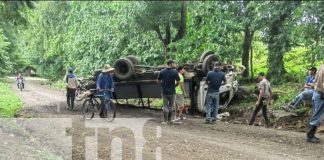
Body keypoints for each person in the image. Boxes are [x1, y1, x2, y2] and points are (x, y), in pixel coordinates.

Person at [157, 59, 180, 124]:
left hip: (164, 92)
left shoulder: (162, 71)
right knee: (171, 106)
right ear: (171, 64)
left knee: (165, 106)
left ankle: (165, 121)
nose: (174, 64)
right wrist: (174, 86)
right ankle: (169, 120)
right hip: (172, 92)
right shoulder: (175, 72)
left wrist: (162, 85)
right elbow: (178, 82)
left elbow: (158, 81)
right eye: (173, 63)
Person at [306, 64, 324, 143]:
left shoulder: (321, 67)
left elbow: (315, 81)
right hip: (321, 94)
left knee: (316, 114)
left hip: (317, 93)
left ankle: (311, 135)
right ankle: (310, 136)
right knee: (317, 115)